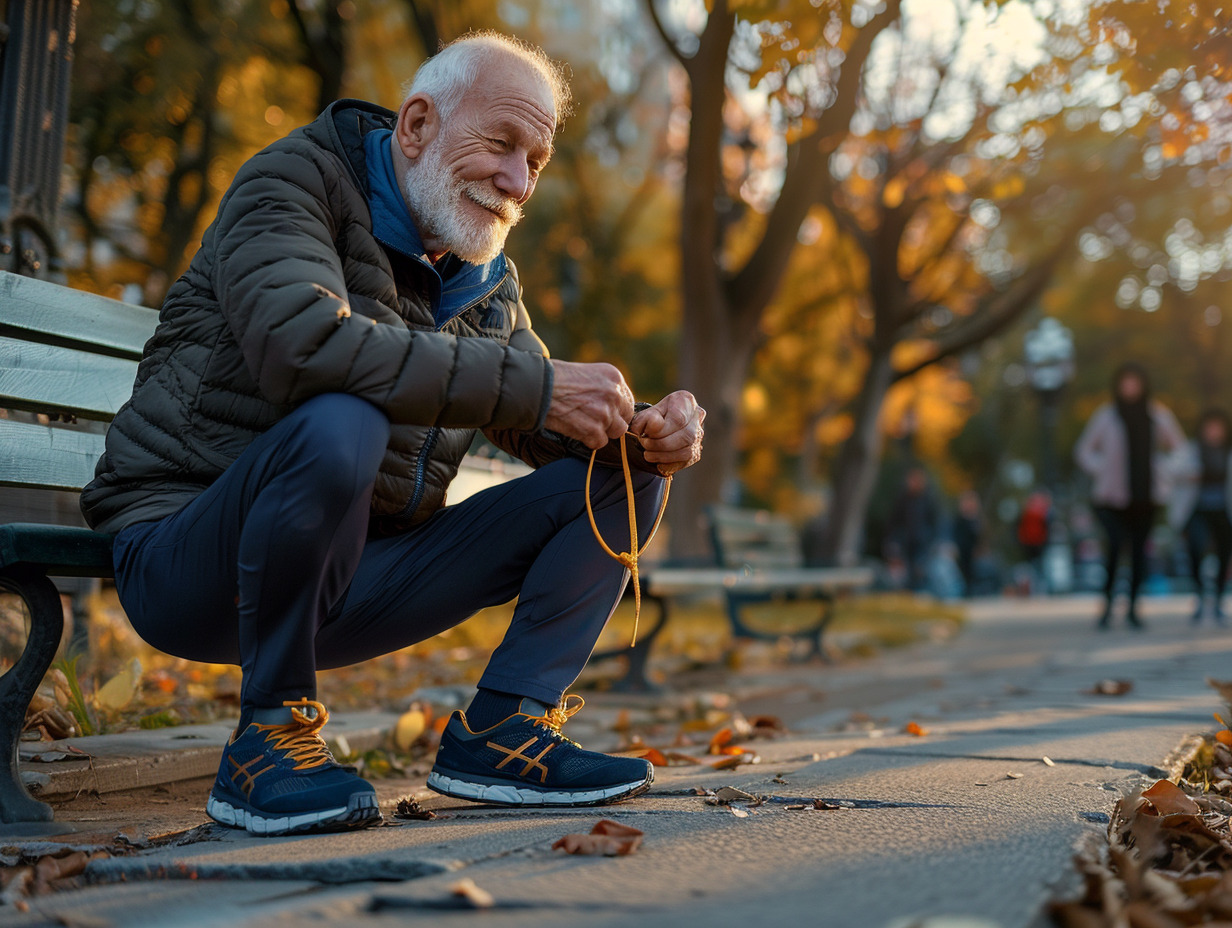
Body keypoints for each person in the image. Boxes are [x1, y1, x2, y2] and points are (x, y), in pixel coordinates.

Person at [78, 33, 705, 836]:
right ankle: (267, 742)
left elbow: (541, 417)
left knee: (627, 475)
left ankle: (503, 729)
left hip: (360, 576)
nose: (517, 181)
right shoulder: (290, 183)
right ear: (416, 126)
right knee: (343, 413)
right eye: (501, 144)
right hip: (188, 559)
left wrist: (645, 427)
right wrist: (540, 386)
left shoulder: (483, 276)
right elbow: (305, 349)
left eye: (536, 161)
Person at [1074, 362, 1184, 630]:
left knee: (1138, 553)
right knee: (1114, 547)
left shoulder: (1158, 415)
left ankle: (1134, 608)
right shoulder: (1107, 415)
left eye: (1135, 381)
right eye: (1126, 381)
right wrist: (1102, 469)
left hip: (1146, 496)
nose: (1130, 387)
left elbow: (1180, 450)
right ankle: (1108, 605)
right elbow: (1084, 450)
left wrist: (1164, 469)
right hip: (1111, 498)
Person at [1169, 409, 1232, 625]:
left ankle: (1218, 602)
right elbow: (1171, 470)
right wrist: (1190, 476)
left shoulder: (1228, 452)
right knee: (1195, 549)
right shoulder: (1191, 451)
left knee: (1224, 555)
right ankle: (1199, 595)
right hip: (1197, 510)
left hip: (1224, 510)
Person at [884, 466, 939, 591]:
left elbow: (934, 522)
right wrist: (893, 541)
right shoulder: (902, 499)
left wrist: (929, 539)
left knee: (919, 573)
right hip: (905, 543)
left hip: (921, 544)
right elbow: (893, 522)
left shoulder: (928, 499)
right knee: (903, 576)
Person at [951, 490, 982, 597]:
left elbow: (979, 540)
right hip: (960, 555)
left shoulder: (976, 521)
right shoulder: (958, 520)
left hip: (973, 557)